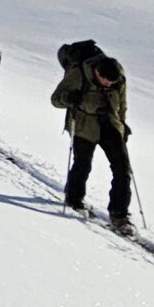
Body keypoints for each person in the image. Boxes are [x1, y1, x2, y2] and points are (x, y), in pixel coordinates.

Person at [52, 41, 134, 236]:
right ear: (97, 72)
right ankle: (74, 198)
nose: (109, 85)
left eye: (112, 83)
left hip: (110, 125)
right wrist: (70, 99)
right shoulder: (79, 74)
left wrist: (122, 125)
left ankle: (119, 214)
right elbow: (56, 99)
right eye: (106, 81)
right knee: (83, 164)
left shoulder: (117, 76)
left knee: (123, 169)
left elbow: (122, 103)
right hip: (83, 125)